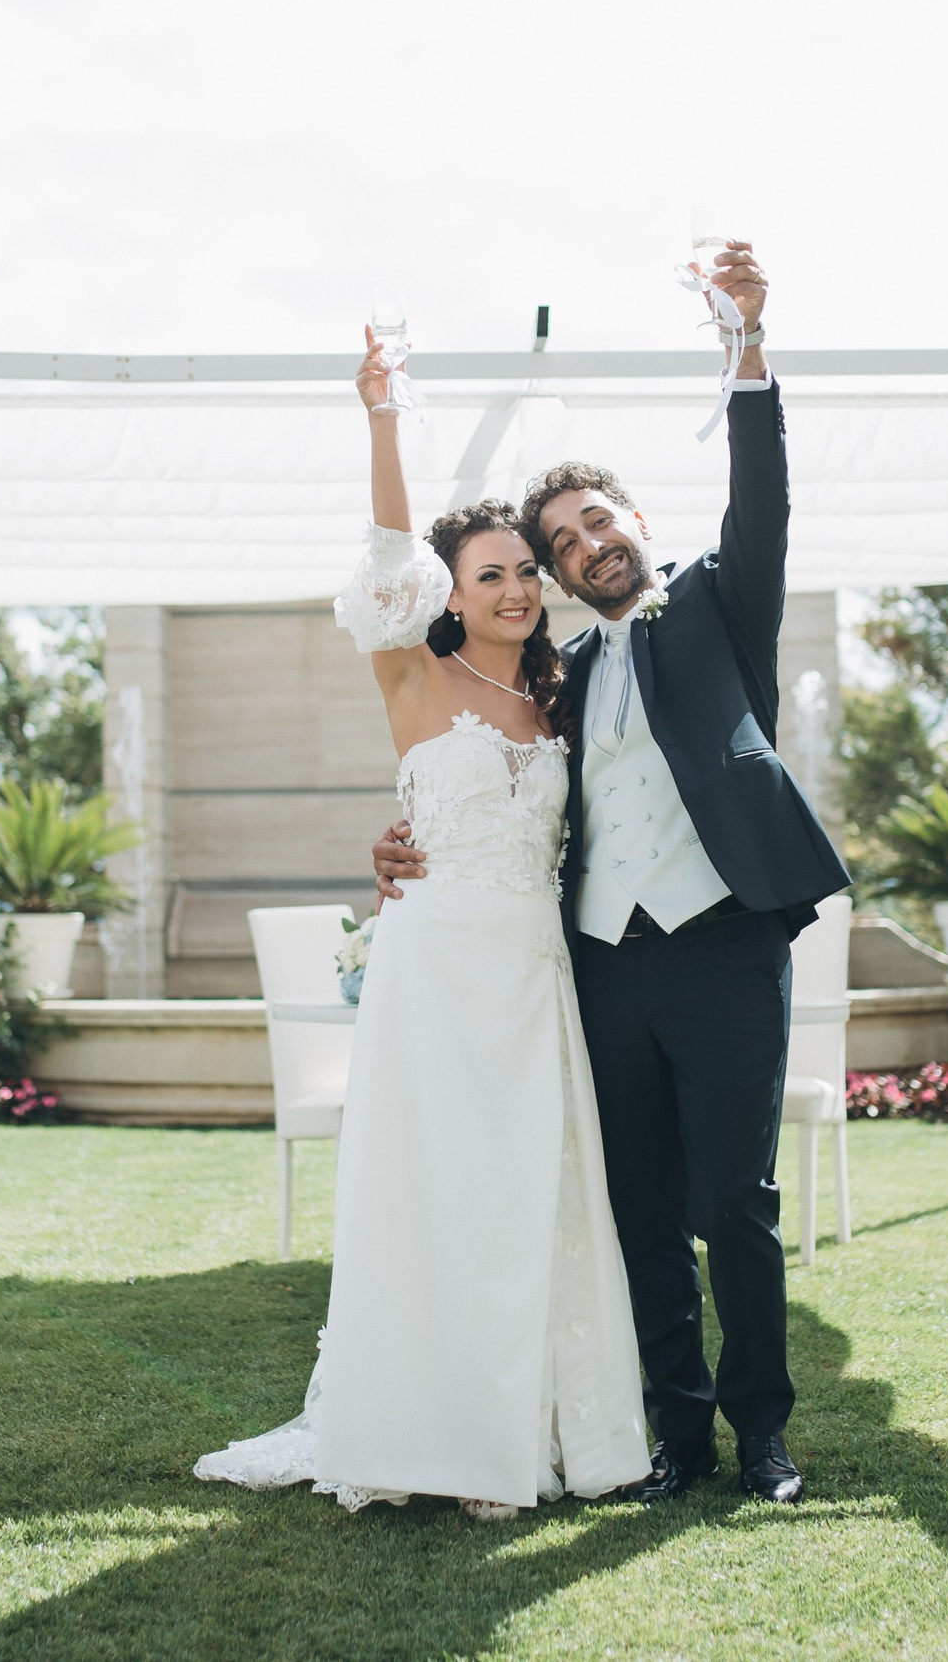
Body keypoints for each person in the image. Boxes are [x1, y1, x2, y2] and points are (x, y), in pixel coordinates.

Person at [374, 243, 847, 1505]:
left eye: (598, 524)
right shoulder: (556, 677)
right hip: (594, 959)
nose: (584, 547)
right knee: (637, 1207)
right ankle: (673, 1436)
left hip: (723, 944)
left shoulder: (722, 607)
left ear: (637, 524)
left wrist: (747, 343)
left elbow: (767, 488)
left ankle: (764, 1436)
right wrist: (399, 837)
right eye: (560, 541)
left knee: (732, 1204)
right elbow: (467, 758)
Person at [193, 327, 651, 1520]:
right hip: (431, 971)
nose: (510, 586)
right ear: (451, 594)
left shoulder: (563, 694)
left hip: (530, 976)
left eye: (521, 571)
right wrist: (383, 421)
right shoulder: (409, 674)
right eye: (487, 572)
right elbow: (388, 552)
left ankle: (534, 1422)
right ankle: (423, 1428)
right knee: (431, 1195)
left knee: (525, 1196)